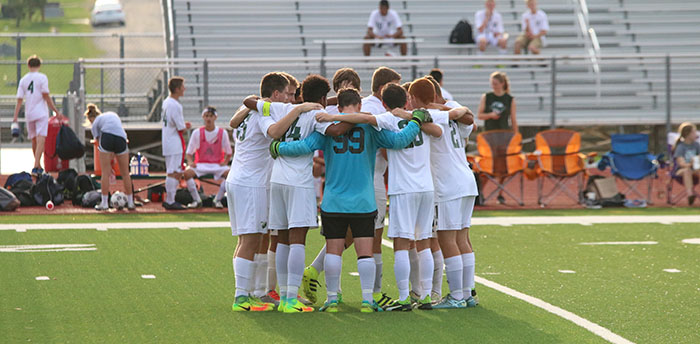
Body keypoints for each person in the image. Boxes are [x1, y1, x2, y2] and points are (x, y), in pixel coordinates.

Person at [271, 88, 429, 312]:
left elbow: (304, 146)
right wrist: (416, 121)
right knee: (365, 252)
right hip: (363, 200)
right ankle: (367, 300)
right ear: (360, 106)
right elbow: (400, 140)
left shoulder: (329, 129)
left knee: (333, 250)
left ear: (338, 107)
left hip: (333, 199)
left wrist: (279, 147)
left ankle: (332, 300)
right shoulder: (370, 127)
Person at [317, 81, 470, 311]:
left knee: (400, 244)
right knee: (425, 243)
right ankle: (427, 295)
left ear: (384, 103)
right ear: (407, 100)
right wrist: (416, 119)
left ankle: (403, 297)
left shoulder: (388, 119)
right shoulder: (423, 116)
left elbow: (368, 120)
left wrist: (330, 118)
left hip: (401, 188)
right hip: (426, 188)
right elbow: (440, 130)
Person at [242, 74, 353, 313]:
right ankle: (291, 298)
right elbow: (335, 131)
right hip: (299, 182)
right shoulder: (316, 114)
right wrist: (357, 118)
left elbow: (250, 101)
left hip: (277, 179)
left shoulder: (283, 108)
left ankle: (283, 297)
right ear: (322, 97)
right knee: (297, 240)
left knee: (280, 239)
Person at [228, 72, 321, 312]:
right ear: (276, 94)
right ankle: (241, 297)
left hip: (241, 179)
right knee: (250, 239)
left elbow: (233, 121)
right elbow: (275, 132)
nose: (292, 99)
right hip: (252, 183)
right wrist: (298, 111)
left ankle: (256, 293)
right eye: (289, 94)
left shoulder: (249, 108)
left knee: (254, 238)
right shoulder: (264, 111)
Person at [302, 67, 363, 305]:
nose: (347, 91)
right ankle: (362, 294)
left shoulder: (365, 107)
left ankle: (317, 272)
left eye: (352, 86)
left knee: (357, 236)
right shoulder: (326, 110)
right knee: (343, 237)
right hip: (341, 177)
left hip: (364, 177)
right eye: (343, 86)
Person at [12, 55, 63, 175]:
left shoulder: (24, 79)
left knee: (34, 139)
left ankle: (37, 164)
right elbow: (45, 95)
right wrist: (55, 110)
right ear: (39, 65)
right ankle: (36, 165)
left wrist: (15, 116)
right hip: (41, 112)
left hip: (29, 112)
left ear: (28, 65)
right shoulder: (42, 78)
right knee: (41, 138)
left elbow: (19, 99)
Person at [84, 104, 135, 211]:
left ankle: (104, 203)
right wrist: (113, 159)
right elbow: (119, 134)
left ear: (91, 118)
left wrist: (109, 163)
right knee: (125, 173)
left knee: (105, 173)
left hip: (107, 137)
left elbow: (99, 142)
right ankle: (130, 202)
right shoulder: (112, 115)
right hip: (121, 138)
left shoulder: (96, 124)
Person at [477, 71, 517, 204]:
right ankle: (480, 192)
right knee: (487, 165)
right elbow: (480, 115)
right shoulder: (487, 97)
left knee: (502, 166)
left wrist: (516, 136)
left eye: (495, 83)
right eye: (492, 83)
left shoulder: (509, 99)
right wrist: (490, 115)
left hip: (503, 135)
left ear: (502, 83)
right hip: (489, 135)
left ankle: (500, 192)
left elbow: (513, 119)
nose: (493, 86)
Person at [183, 106, 232, 209]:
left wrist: (225, 161)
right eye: (206, 116)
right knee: (187, 173)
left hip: (217, 165)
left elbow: (229, 152)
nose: (208, 119)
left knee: (231, 175)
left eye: (211, 116)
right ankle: (197, 199)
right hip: (201, 164)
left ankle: (217, 199)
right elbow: (189, 153)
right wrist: (191, 162)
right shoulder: (197, 132)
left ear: (215, 117)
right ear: (203, 117)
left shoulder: (222, 133)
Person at [161, 76, 192, 210]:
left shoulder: (166, 102)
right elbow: (180, 127)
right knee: (174, 171)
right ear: (178, 88)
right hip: (174, 142)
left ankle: (170, 199)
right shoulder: (175, 104)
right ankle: (170, 200)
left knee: (172, 170)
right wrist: (186, 126)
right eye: (183, 86)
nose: (184, 89)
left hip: (167, 140)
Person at [672, 122, 700, 205]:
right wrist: (691, 163)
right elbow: (681, 163)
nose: (696, 134)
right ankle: (690, 195)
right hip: (681, 171)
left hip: (696, 170)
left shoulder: (697, 145)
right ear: (688, 134)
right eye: (694, 132)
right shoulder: (681, 147)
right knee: (687, 170)